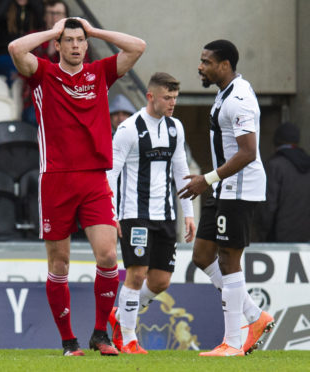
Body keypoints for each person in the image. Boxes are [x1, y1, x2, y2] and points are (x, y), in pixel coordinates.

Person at [8, 17, 146, 356]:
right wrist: (53, 30)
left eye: (79, 40)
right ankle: (69, 342)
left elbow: (137, 46)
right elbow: (15, 48)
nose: (74, 45)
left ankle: (100, 333)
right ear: (57, 44)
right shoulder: (42, 73)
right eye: (67, 40)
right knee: (59, 264)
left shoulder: (100, 72)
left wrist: (95, 31)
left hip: (94, 177)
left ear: (86, 45)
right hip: (55, 178)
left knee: (109, 255)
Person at [178, 39, 274, 356]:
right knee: (203, 256)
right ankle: (254, 316)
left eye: (206, 61)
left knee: (229, 260)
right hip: (223, 186)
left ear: (224, 65)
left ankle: (232, 343)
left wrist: (206, 179)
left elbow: (248, 153)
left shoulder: (241, 98)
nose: (200, 66)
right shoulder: (225, 93)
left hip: (239, 188)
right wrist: (212, 181)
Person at [107, 72, 195, 354]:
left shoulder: (175, 128)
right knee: (136, 274)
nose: (172, 103)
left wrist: (189, 214)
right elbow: (111, 173)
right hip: (135, 214)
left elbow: (182, 173)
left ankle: (121, 315)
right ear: (150, 97)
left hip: (166, 215)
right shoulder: (129, 129)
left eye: (175, 98)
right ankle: (129, 338)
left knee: (160, 281)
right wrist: (111, 213)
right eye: (167, 98)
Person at [255, 122, 310, 242]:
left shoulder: (275, 166)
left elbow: (268, 207)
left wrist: (262, 235)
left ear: (276, 141)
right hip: (306, 239)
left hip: (280, 239)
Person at [0, 0, 44, 85]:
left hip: (28, 53)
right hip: (4, 51)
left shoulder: (34, 6)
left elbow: (41, 15)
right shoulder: (7, 5)